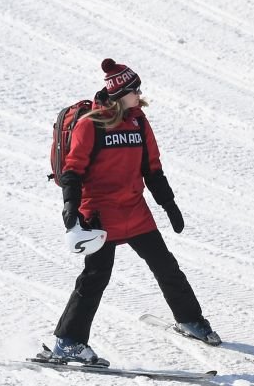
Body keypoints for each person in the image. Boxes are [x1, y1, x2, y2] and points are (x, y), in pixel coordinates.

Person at [52, 58, 219, 363]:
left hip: (135, 210)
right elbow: (73, 170)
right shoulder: (91, 124)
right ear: (119, 94)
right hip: (100, 214)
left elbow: (152, 168)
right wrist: (70, 206)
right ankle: (68, 342)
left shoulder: (139, 122)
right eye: (134, 89)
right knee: (95, 277)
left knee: (166, 266)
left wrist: (168, 204)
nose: (139, 94)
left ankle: (190, 320)